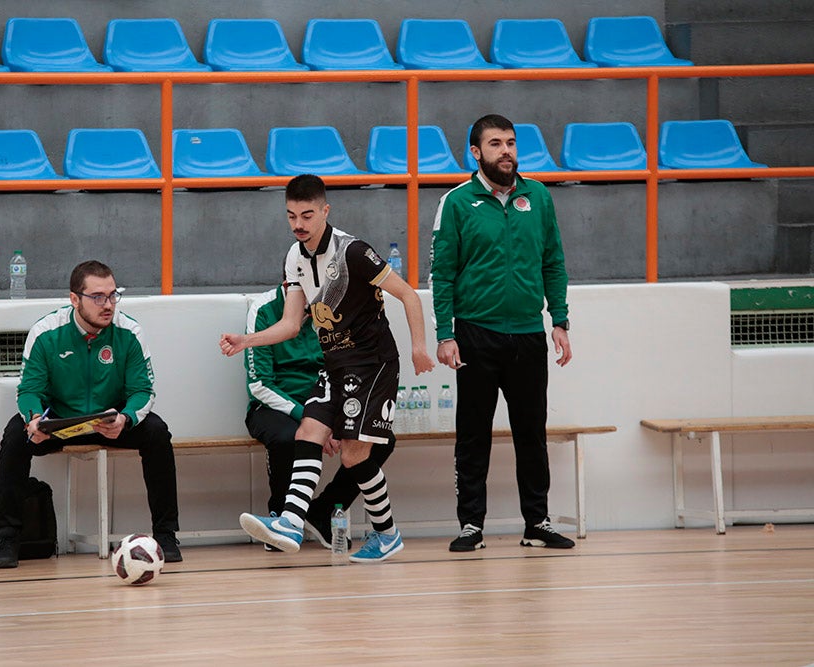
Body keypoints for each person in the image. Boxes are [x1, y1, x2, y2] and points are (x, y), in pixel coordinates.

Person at [220, 173, 434, 563]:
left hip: (373, 365)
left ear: (324, 211)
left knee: (353, 455)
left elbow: (407, 295)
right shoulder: (293, 257)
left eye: (306, 215)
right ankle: (289, 520)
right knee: (309, 429)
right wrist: (245, 340)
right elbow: (290, 324)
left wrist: (420, 347)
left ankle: (387, 534)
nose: (299, 225)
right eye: (291, 217)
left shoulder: (352, 251)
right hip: (335, 363)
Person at [430, 114, 575, 552]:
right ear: (476, 153)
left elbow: (553, 262)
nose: (506, 151)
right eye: (495, 144)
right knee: (472, 434)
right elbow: (442, 273)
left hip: (530, 335)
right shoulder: (456, 202)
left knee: (531, 433)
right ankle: (471, 525)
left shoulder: (540, 197)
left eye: (510, 142)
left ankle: (537, 523)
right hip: (476, 335)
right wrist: (444, 332)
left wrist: (561, 322)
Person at [0, 260, 181, 568]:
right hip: (61, 421)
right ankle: (8, 536)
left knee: (157, 432)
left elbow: (143, 391)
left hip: (110, 422)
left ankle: (166, 535)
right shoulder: (45, 332)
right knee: (15, 436)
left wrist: (126, 418)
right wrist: (34, 419)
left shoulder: (129, 331)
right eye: (98, 297)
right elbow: (28, 391)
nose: (108, 305)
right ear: (75, 299)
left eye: (113, 295)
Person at [244, 277, 395, 550]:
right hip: (274, 404)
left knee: (378, 439)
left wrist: (332, 420)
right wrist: (309, 417)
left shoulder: (328, 309)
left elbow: (341, 373)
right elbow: (259, 384)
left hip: (324, 400)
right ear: (288, 285)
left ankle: (322, 511)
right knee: (287, 437)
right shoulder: (263, 309)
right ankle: (281, 517)